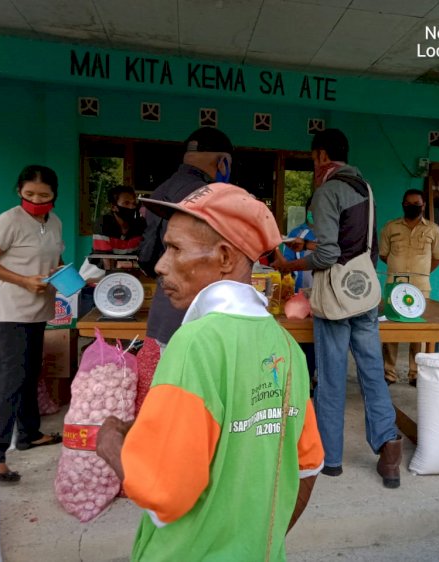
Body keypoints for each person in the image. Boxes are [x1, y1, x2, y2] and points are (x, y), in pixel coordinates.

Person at [96, 183, 324, 561]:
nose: (160, 265)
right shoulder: (287, 349)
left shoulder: (194, 343)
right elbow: (308, 467)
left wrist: (111, 444)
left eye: (175, 249)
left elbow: (163, 496)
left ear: (223, 257)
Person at [273, 128, 402, 488]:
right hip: (363, 293)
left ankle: (330, 459)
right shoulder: (365, 187)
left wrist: (291, 265)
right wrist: (307, 243)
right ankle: (389, 452)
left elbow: (329, 254)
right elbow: (357, 244)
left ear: (321, 156)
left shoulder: (328, 190)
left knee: (330, 380)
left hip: (334, 299)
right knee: (372, 374)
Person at [0, 165, 65, 483]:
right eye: (29, 194)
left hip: (39, 310)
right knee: (9, 383)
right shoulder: (9, 220)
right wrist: (24, 281)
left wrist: (64, 274)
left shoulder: (54, 222)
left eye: (44, 195)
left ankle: (29, 434)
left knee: (29, 374)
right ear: (19, 191)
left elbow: (51, 261)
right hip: (12, 312)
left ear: (55, 195)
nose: (36, 200)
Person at [138, 126, 234, 351]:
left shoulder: (162, 191)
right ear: (223, 162)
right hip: (192, 309)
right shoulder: (206, 196)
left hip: (166, 304)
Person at [379, 188, 439, 386]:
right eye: (408, 203)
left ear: (423, 206)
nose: (412, 207)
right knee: (392, 330)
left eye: (416, 204)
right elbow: (383, 254)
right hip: (394, 286)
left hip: (420, 288)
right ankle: (388, 373)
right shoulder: (391, 227)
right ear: (403, 205)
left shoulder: (433, 229)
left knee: (418, 332)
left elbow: (438, 257)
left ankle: (415, 374)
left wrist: (422, 273)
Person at [282, 195, 317, 381]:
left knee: (317, 339)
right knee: (300, 339)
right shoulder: (297, 234)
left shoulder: (331, 233)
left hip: (323, 296)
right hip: (300, 296)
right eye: (312, 208)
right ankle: (301, 377)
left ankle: (312, 376)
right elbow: (287, 264)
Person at [91, 185, 146, 270]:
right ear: (113, 207)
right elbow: (105, 261)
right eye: (126, 203)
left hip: (130, 273)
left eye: (134, 203)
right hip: (97, 272)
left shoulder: (140, 225)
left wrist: (129, 264)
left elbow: (146, 258)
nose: (131, 207)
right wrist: (131, 264)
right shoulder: (103, 224)